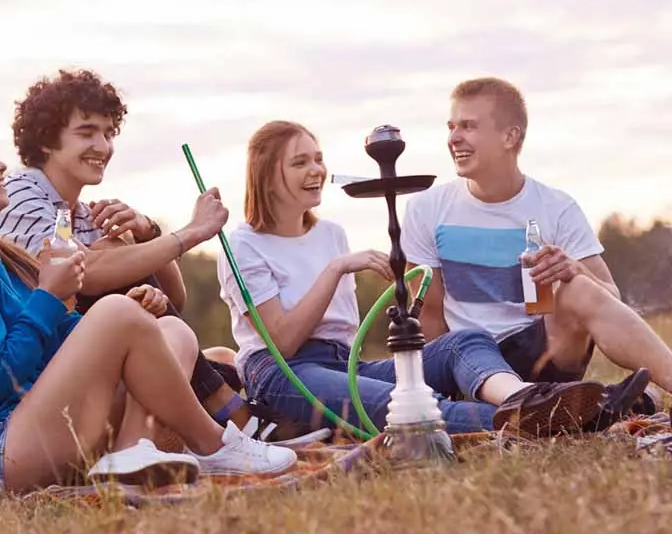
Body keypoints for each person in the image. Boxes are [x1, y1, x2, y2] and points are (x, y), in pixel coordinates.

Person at [0, 125, 297, 495]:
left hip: (32, 428)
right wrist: (48, 298)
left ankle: (132, 452)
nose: (1, 164)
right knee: (116, 312)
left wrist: (121, 322)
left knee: (172, 330)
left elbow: (49, 353)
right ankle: (215, 443)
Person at [216, 120, 629, 439]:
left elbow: (341, 332)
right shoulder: (243, 246)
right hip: (281, 372)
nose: (317, 170)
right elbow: (282, 342)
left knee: (465, 342)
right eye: (300, 162)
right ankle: (575, 417)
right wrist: (335, 269)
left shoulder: (330, 233)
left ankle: (523, 398)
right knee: (412, 405)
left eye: (318, 158)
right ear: (268, 174)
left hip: (344, 362)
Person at [0, 68, 324, 446]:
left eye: (108, 133)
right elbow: (90, 275)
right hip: (35, 382)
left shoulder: (84, 213)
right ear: (46, 140)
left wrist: (147, 231)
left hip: (85, 362)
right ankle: (232, 413)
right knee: (118, 266)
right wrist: (191, 233)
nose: (103, 146)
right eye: (87, 132)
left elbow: (174, 299)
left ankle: (225, 410)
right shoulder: (20, 194)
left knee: (223, 358)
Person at [400, 76, 667, 417]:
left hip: (545, 351)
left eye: (468, 126)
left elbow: (609, 302)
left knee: (578, 288)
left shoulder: (557, 206)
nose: (454, 138)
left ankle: (606, 393)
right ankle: (582, 405)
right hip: (472, 361)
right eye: (451, 127)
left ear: (510, 136)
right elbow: (430, 317)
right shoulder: (427, 209)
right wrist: (438, 395)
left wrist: (575, 269)